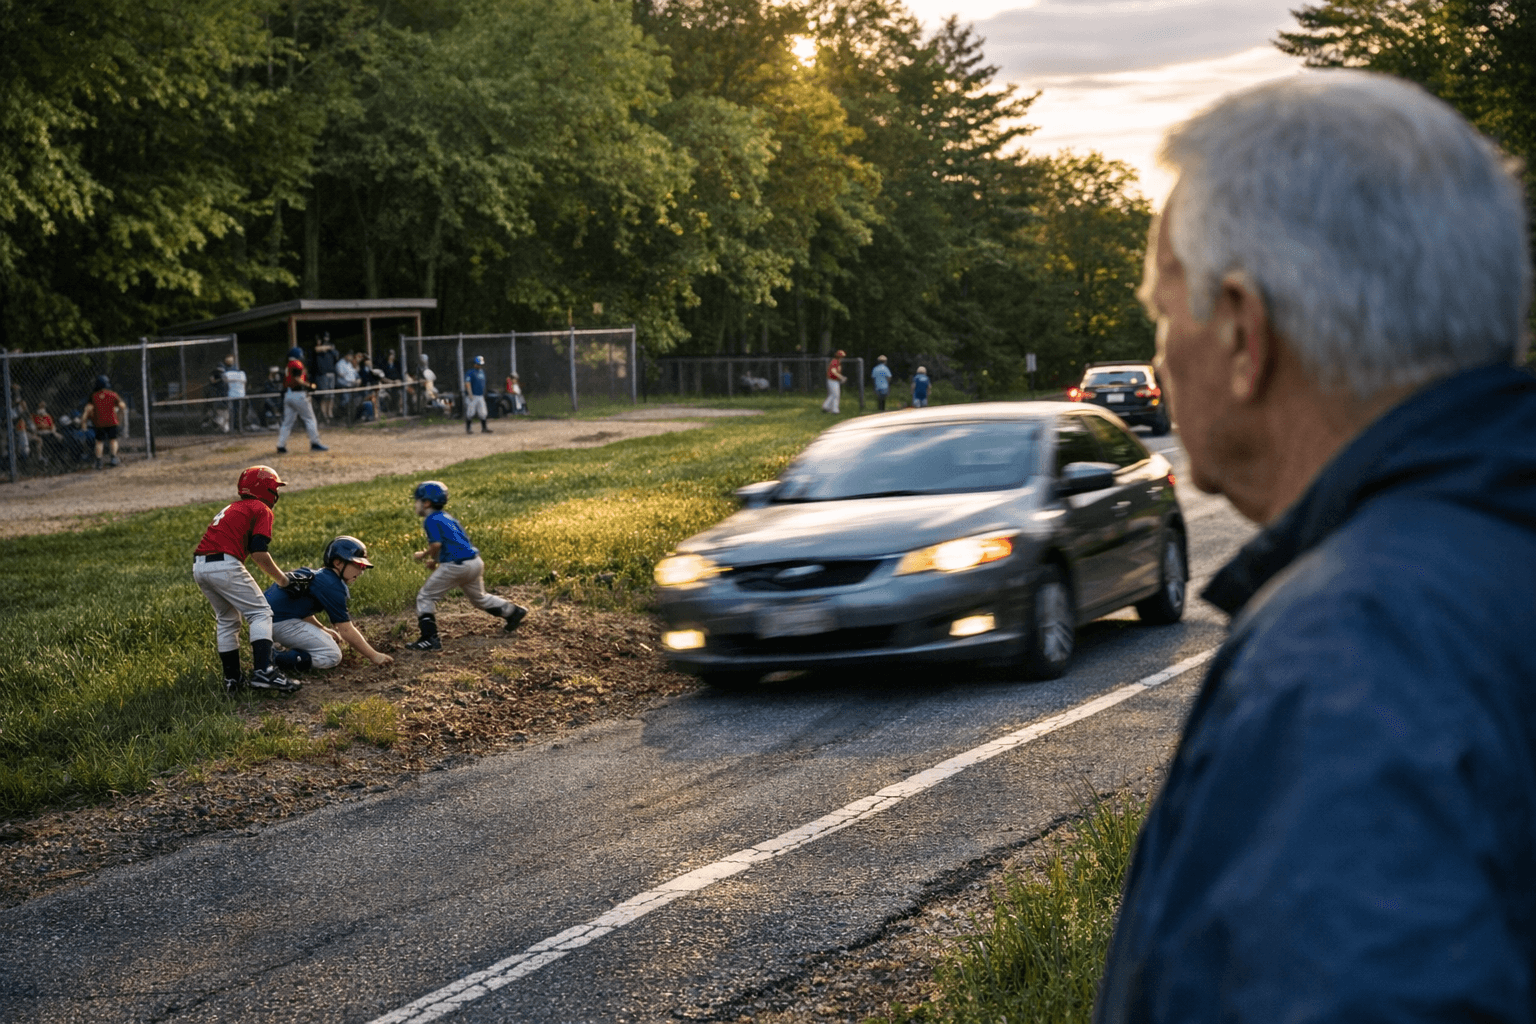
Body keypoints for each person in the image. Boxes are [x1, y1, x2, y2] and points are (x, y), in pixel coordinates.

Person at [1094, 72, 1536, 1023]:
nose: (1161, 356)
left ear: (1244, 333)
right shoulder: (1492, 553)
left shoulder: (1352, 656)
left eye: (1164, 311)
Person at [193, 466, 297, 694]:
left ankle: (232, 680)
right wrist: (283, 580)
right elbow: (259, 552)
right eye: (275, 488)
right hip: (224, 564)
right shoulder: (261, 508)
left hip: (200, 566)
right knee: (260, 613)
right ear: (267, 489)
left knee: (227, 620)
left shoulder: (233, 507)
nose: (276, 493)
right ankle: (264, 671)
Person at [405, 481, 527, 650]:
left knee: (425, 597)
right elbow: (455, 543)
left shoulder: (430, 519)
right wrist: (435, 561)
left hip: (456, 566)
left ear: (426, 503)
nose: (415, 504)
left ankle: (429, 639)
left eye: (417, 500)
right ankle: (513, 612)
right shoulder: (447, 517)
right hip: (474, 562)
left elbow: (436, 544)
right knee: (480, 598)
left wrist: (424, 555)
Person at [264, 536, 394, 674]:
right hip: (278, 622)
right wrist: (374, 656)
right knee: (331, 655)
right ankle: (273, 658)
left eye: (363, 567)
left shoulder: (321, 577)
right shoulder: (332, 585)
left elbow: (299, 610)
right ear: (338, 563)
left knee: (325, 639)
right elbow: (346, 630)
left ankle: (275, 648)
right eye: (358, 565)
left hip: (265, 620)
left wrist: (322, 628)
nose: (361, 571)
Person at [275, 346, 327, 454]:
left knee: (287, 423)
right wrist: (309, 385)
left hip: (288, 395)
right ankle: (315, 443)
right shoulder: (296, 363)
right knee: (310, 419)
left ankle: (280, 445)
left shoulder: (288, 364)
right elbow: (297, 378)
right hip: (298, 394)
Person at [82, 375, 127, 468]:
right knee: (113, 440)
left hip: (99, 422)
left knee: (99, 441)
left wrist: (84, 421)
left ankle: (99, 461)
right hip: (112, 421)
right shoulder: (113, 394)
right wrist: (119, 411)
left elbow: (88, 408)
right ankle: (113, 458)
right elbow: (122, 406)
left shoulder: (94, 396)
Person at [462, 355, 491, 433]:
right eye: (478, 364)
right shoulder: (470, 372)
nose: (480, 366)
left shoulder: (482, 372)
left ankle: (484, 428)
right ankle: (468, 429)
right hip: (472, 395)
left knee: (483, 413)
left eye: (480, 364)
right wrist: (470, 394)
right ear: (474, 364)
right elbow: (467, 383)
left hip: (480, 395)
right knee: (470, 413)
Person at [314, 334, 339, 420]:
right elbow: (317, 349)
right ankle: (324, 414)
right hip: (322, 375)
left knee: (331, 396)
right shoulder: (318, 348)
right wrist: (327, 347)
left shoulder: (331, 348)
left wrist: (330, 348)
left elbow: (336, 354)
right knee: (324, 395)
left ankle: (330, 413)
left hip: (331, 373)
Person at [222, 354, 248, 432]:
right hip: (235, 395)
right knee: (234, 412)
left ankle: (237, 428)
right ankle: (235, 428)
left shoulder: (232, 372)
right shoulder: (239, 373)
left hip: (236, 395)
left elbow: (225, 380)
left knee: (236, 412)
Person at [821, 349, 846, 413]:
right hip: (832, 380)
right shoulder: (835, 361)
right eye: (842, 356)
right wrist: (841, 377)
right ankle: (833, 409)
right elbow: (833, 371)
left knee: (833, 394)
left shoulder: (837, 362)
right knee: (835, 395)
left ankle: (828, 407)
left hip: (834, 380)